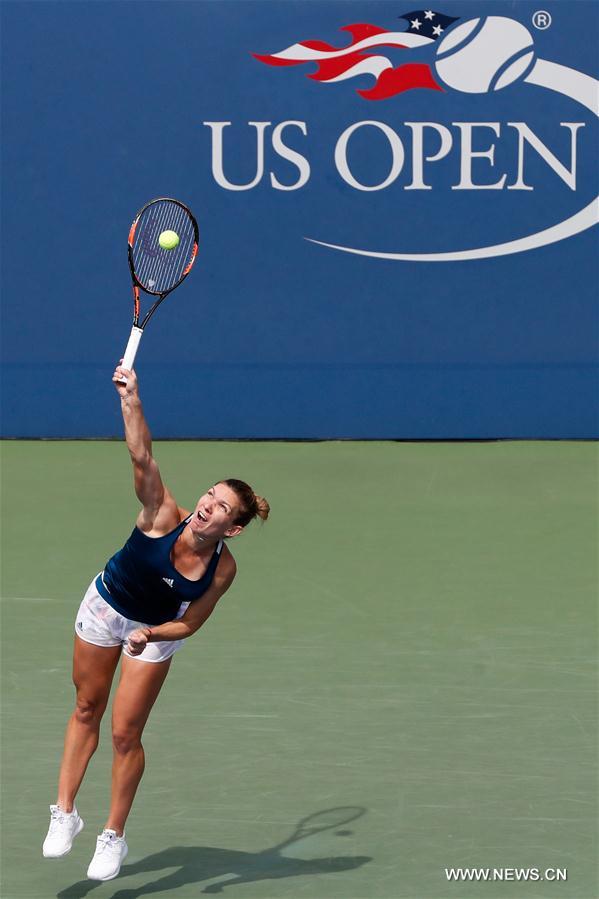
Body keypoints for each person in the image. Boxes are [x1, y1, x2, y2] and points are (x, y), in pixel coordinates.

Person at [42, 363, 270, 882]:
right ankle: (65, 812)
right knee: (85, 707)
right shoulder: (163, 514)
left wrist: (151, 633)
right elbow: (141, 453)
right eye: (209, 496)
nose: (206, 508)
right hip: (105, 607)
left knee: (126, 733)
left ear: (232, 529)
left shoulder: (223, 569)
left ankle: (113, 836)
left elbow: (189, 625)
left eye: (220, 509)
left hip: (155, 632)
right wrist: (131, 398)